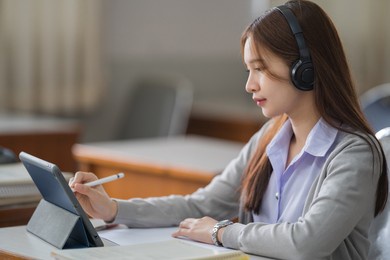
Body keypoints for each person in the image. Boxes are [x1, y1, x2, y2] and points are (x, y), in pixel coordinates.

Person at [70, 1, 388, 259]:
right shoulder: (268, 139)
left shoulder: (354, 153)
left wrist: (220, 232)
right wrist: (114, 209)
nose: (249, 85)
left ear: (304, 69)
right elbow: (201, 205)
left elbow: (306, 243)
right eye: (249, 70)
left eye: (260, 69)